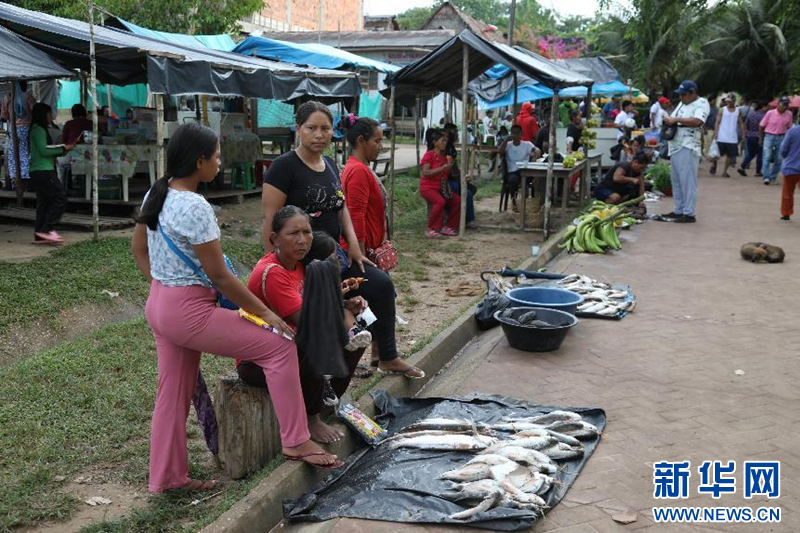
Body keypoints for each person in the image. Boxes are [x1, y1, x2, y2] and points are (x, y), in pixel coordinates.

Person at [130, 122, 342, 493]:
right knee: (279, 346)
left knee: (171, 394)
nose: (219, 162)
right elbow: (222, 278)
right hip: (187, 310)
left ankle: (166, 477)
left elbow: (138, 249)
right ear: (199, 162)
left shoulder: (156, 192)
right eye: (216, 156)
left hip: (159, 305)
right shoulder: (195, 206)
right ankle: (295, 439)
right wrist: (267, 314)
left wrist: (163, 285)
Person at [262, 101, 424, 380]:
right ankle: (324, 379)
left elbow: (342, 208)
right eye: (311, 128)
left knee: (382, 285)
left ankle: (387, 356)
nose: (319, 135)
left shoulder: (330, 165)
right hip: (300, 260)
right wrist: (274, 265)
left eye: (325, 128)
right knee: (331, 314)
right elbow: (270, 220)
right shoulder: (283, 167)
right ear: (298, 129)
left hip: (335, 254)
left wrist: (356, 249)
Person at [238, 209, 370, 442]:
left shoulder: (300, 265)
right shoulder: (273, 273)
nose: (302, 240)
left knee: (357, 338)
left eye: (307, 232)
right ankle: (311, 419)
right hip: (258, 362)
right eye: (293, 233)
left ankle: (323, 404)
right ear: (274, 239)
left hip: (288, 346)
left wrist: (346, 304)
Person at [662, 80, 710, 223]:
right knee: (676, 181)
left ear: (693, 93)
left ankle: (689, 213)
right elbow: (675, 119)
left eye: (684, 94)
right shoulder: (682, 103)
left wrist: (675, 119)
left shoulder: (701, 103)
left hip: (688, 145)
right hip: (675, 145)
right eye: (680, 94)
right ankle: (679, 209)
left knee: (688, 182)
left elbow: (697, 122)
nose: (681, 97)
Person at [28, 103, 75, 244]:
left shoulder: (36, 130)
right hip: (44, 171)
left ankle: (39, 234)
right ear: (43, 115)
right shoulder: (39, 130)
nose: (50, 117)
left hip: (39, 171)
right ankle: (46, 229)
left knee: (44, 203)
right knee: (60, 198)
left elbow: (45, 150)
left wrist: (62, 150)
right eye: (49, 114)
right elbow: (44, 150)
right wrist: (62, 149)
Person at [420, 129, 461, 236]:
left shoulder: (444, 157)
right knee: (440, 202)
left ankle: (449, 226)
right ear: (435, 142)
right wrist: (443, 168)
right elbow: (426, 172)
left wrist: (451, 167)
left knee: (457, 200)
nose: (445, 143)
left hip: (441, 188)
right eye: (442, 141)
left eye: (445, 141)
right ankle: (430, 228)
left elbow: (447, 174)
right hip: (428, 188)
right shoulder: (429, 155)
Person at [1, 80, 35, 186]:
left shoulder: (7, 98)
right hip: (26, 128)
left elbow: (4, 116)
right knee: (25, 152)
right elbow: (35, 111)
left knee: (13, 154)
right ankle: (25, 178)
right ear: (24, 85)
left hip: (13, 129)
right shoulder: (28, 96)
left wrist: (12, 117)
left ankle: (14, 178)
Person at [443, 122, 476, 228]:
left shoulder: (451, 147)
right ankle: (458, 215)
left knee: (470, 190)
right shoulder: (442, 148)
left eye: (457, 132)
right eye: (454, 132)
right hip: (444, 180)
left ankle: (468, 218)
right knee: (461, 190)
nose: (457, 134)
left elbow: (455, 167)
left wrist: (462, 177)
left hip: (452, 178)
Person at [499, 124, 539, 212]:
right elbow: (500, 152)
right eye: (513, 133)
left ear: (521, 134)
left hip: (525, 171)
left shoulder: (527, 144)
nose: (515, 135)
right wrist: (506, 140)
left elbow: (537, 150)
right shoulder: (508, 145)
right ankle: (514, 202)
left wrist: (535, 155)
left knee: (539, 177)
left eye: (517, 133)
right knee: (513, 180)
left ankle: (535, 203)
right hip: (512, 172)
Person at [760, 96, 794, 185]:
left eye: (787, 104)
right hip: (769, 136)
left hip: (782, 137)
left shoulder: (789, 114)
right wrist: (760, 138)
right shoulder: (770, 113)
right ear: (778, 104)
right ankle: (766, 177)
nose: (785, 106)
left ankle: (773, 177)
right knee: (767, 157)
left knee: (779, 159)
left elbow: (790, 128)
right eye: (784, 104)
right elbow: (761, 125)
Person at [713, 94, 744, 178]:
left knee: (730, 155)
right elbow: (717, 122)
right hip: (721, 136)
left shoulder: (738, 111)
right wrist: (716, 132)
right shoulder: (722, 110)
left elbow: (741, 123)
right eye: (727, 101)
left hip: (732, 137)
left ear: (734, 101)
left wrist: (743, 133)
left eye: (730, 101)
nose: (728, 103)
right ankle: (714, 164)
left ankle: (724, 171)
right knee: (717, 154)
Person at [738, 101, 766, 177]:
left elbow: (746, 124)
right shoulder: (764, 116)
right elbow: (764, 127)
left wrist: (746, 133)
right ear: (762, 107)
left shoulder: (751, 114)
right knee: (760, 155)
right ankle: (758, 171)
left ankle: (742, 167)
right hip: (759, 136)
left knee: (750, 153)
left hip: (750, 136)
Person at [779, 123, 800, 221]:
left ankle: (786, 214)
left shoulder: (792, 131)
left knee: (787, 192)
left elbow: (783, 149)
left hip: (791, 167)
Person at [704, 95, 719, 171]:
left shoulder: (717, 109)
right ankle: (708, 156)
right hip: (708, 129)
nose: (715, 102)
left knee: (712, 143)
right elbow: (703, 120)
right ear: (710, 101)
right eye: (714, 100)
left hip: (714, 129)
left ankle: (711, 156)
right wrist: (705, 128)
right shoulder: (706, 109)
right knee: (708, 143)